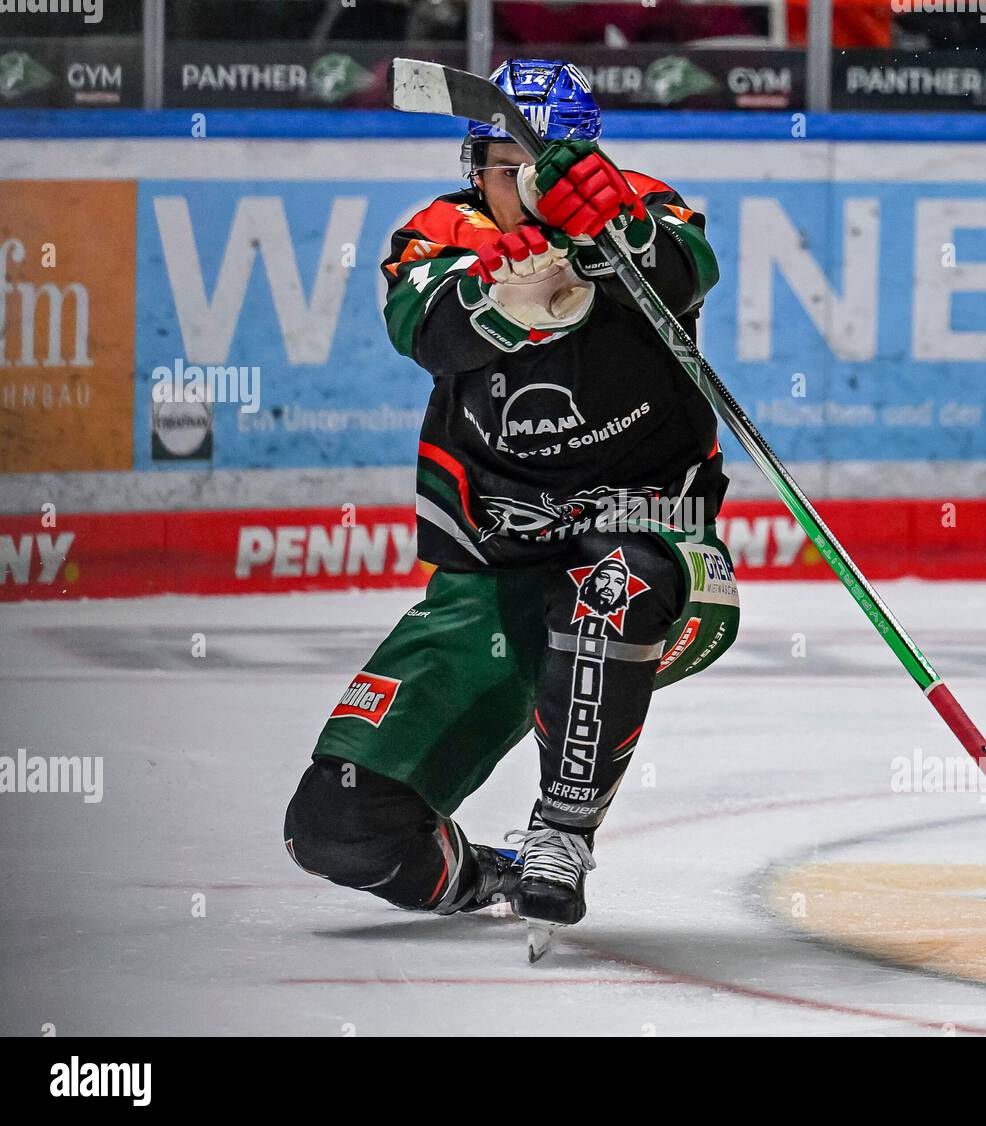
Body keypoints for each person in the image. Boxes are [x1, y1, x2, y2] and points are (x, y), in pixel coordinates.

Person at [283, 58, 740, 959]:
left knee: (612, 586)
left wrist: (612, 231)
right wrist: (498, 304)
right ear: (473, 164)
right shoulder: (440, 234)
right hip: (493, 579)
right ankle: (488, 874)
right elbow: (424, 326)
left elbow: (685, 269)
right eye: (505, 163)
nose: (522, 185)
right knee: (339, 827)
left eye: (546, 161)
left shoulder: (644, 205)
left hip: (662, 563)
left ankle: (562, 833)